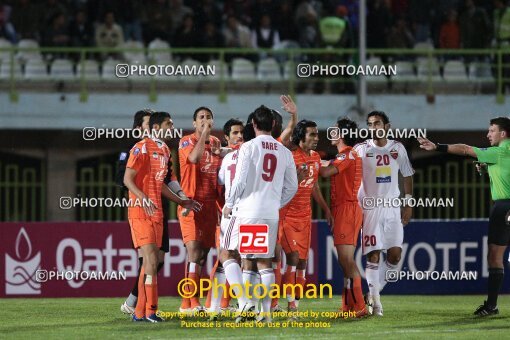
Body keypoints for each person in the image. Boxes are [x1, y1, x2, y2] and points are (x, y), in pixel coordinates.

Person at [418, 116, 510, 316]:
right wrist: (487, 167)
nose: (488, 134)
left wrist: (437, 147)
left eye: (492, 130)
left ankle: (492, 306)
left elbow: (466, 149)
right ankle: (491, 306)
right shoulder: (503, 154)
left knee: (495, 256)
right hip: (504, 206)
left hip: (505, 207)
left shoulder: (501, 151)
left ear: (503, 133)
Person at [220, 105, 298, 323]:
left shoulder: (248, 148)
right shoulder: (284, 151)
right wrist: (275, 203)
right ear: (273, 124)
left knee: (234, 255)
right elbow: (292, 186)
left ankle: (245, 304)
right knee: (265, 262)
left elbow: (240, 180)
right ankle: (264, 314)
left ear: (253, 125)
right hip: (270, 212)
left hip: (248, 209)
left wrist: (229, 203)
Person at [118, 109, 200, 316]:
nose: (172, 128)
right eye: (169, 124)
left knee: (153, 262)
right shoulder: (140, 148)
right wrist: (142, 196)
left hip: (157, 212)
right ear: (156, 127)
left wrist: (182, 201)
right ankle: (148, 311)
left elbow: (161, 184)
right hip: (140, 211)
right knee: (151, 262)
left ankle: (141, 311)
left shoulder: (163, 149)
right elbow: (127, 179)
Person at [354, 111, 414, 316]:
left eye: (377, 123)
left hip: (392, 207)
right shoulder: (361, 149)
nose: (373, 127)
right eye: (370, 124)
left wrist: (408, 203)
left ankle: (373, 293)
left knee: (395, 256)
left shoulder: (397, 148)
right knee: (373, 254)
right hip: (370, 208)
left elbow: (407, 175)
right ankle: (376, 305)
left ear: (387, 126)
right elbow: (346, 170)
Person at [280, 119, 333, 316]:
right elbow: (281, 187)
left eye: (317, 134)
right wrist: (295, 180)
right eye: (312, 134)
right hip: (287, 215)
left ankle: (296, 303)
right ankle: (290, 304)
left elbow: (314, 185)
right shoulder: (290, 157)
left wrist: (326, 209)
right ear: (301, 136)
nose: (316, 138)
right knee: (292, 258)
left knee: (302, 262)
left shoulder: (316, 157)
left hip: (305, 216)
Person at [320, 117, 367, 317]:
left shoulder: (348, 155)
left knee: (347, 260)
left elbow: (326, 172)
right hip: (343, 210)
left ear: (343, 134)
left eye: (336, 130)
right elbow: (329, 164)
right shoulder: (343, 155)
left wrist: (311, 162)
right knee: (343, 261)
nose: (332, 132)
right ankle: (347, 306)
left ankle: (361, 308)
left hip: (348, 210)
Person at [177, 107, 223, 314]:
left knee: (203, 255)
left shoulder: (215, 143)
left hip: (210, 205)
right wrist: (204, 134)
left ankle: (186, 304)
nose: (205, 120)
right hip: (191, 203)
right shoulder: (186, 141)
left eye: (208, 117)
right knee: (194, 252)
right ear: (194, 123)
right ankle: (192, 300)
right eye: (201, 118)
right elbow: (194, 159)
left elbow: (219, 173)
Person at [206, 118, 244, 318]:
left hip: (237, 213)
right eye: (235, 133)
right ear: (226, 137)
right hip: (225, 215)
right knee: (223, 259)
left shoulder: (233, 154)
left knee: (235, 258)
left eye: (241, 132)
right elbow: (215, 188)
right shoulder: (220, 159)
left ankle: (224, 304)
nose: (239, 136)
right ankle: (215, 304)